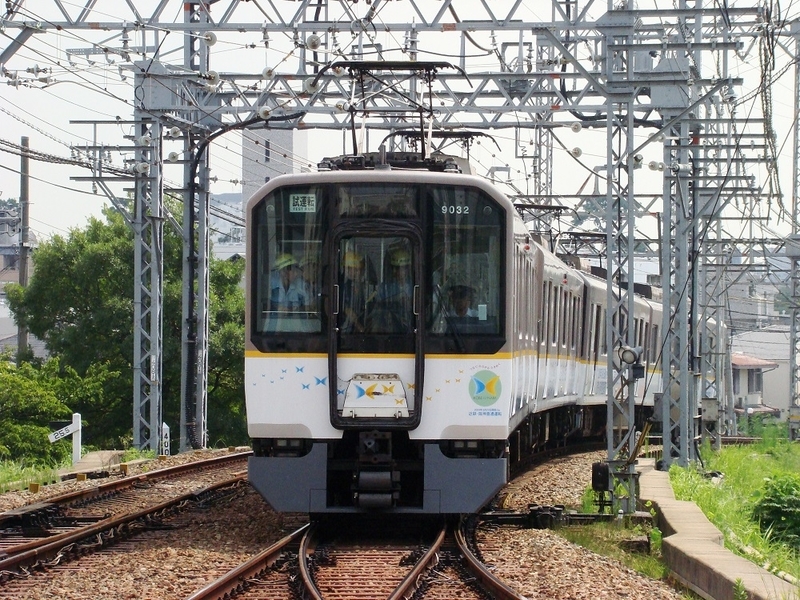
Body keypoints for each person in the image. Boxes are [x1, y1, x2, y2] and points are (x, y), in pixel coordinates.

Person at [339, 250, 368, 333]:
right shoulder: (342, 284)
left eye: (359, 270)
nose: (357, 273)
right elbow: (348, 311)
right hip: (344, 327)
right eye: (355, 269)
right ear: (346, 268)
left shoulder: (355, 283)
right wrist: (361, 328)